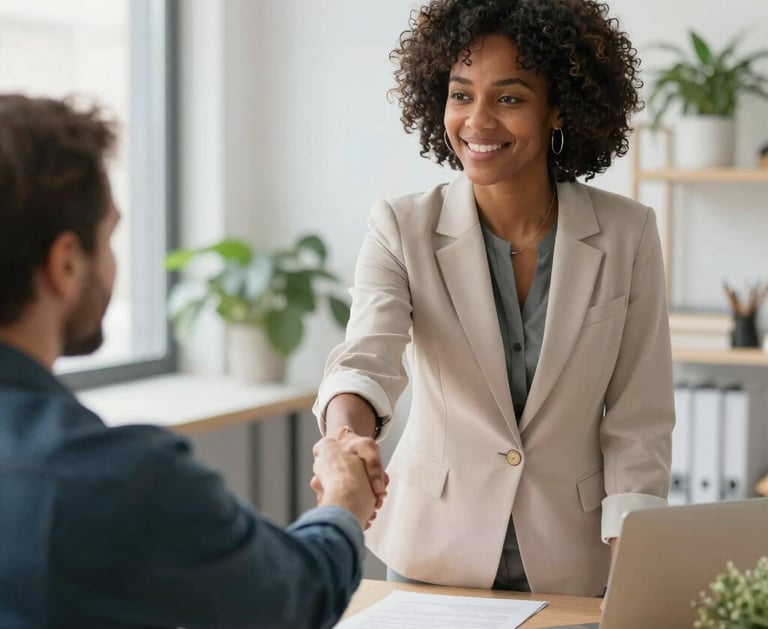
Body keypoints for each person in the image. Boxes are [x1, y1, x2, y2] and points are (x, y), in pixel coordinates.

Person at [313, 0, 675, 597]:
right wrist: (346, 436)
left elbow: (640, 418)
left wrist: (632, 564)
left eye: (509, 98)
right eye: (461, 94)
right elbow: (365, 359)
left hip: (576, 559)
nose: (477, 121)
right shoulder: (401, 226)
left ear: (559, 108)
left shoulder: (627, 233)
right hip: (433, 552)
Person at [0, 93, 384, 628]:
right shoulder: (116, 478)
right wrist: (344, 499)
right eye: (109, 236)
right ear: (66, 263)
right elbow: (293, 597)